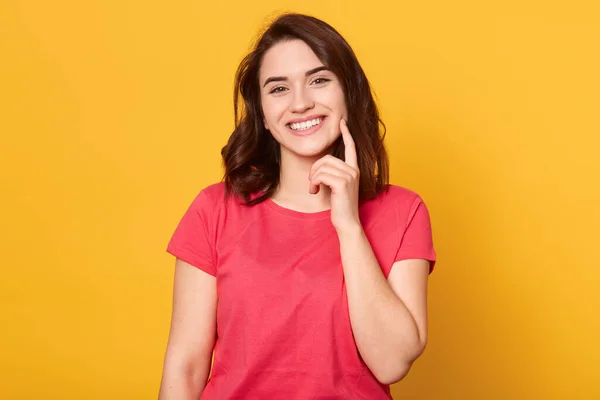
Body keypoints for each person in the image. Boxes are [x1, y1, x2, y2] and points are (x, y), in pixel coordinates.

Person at [158, 13, 436, 400]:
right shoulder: (214, 209)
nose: (301, 103)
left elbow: (391, 362)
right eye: (278, 89)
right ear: (263, 115)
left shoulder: (403, 211)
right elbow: (186, 366)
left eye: (319, 80)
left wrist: (349, 226)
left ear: (348, 93)